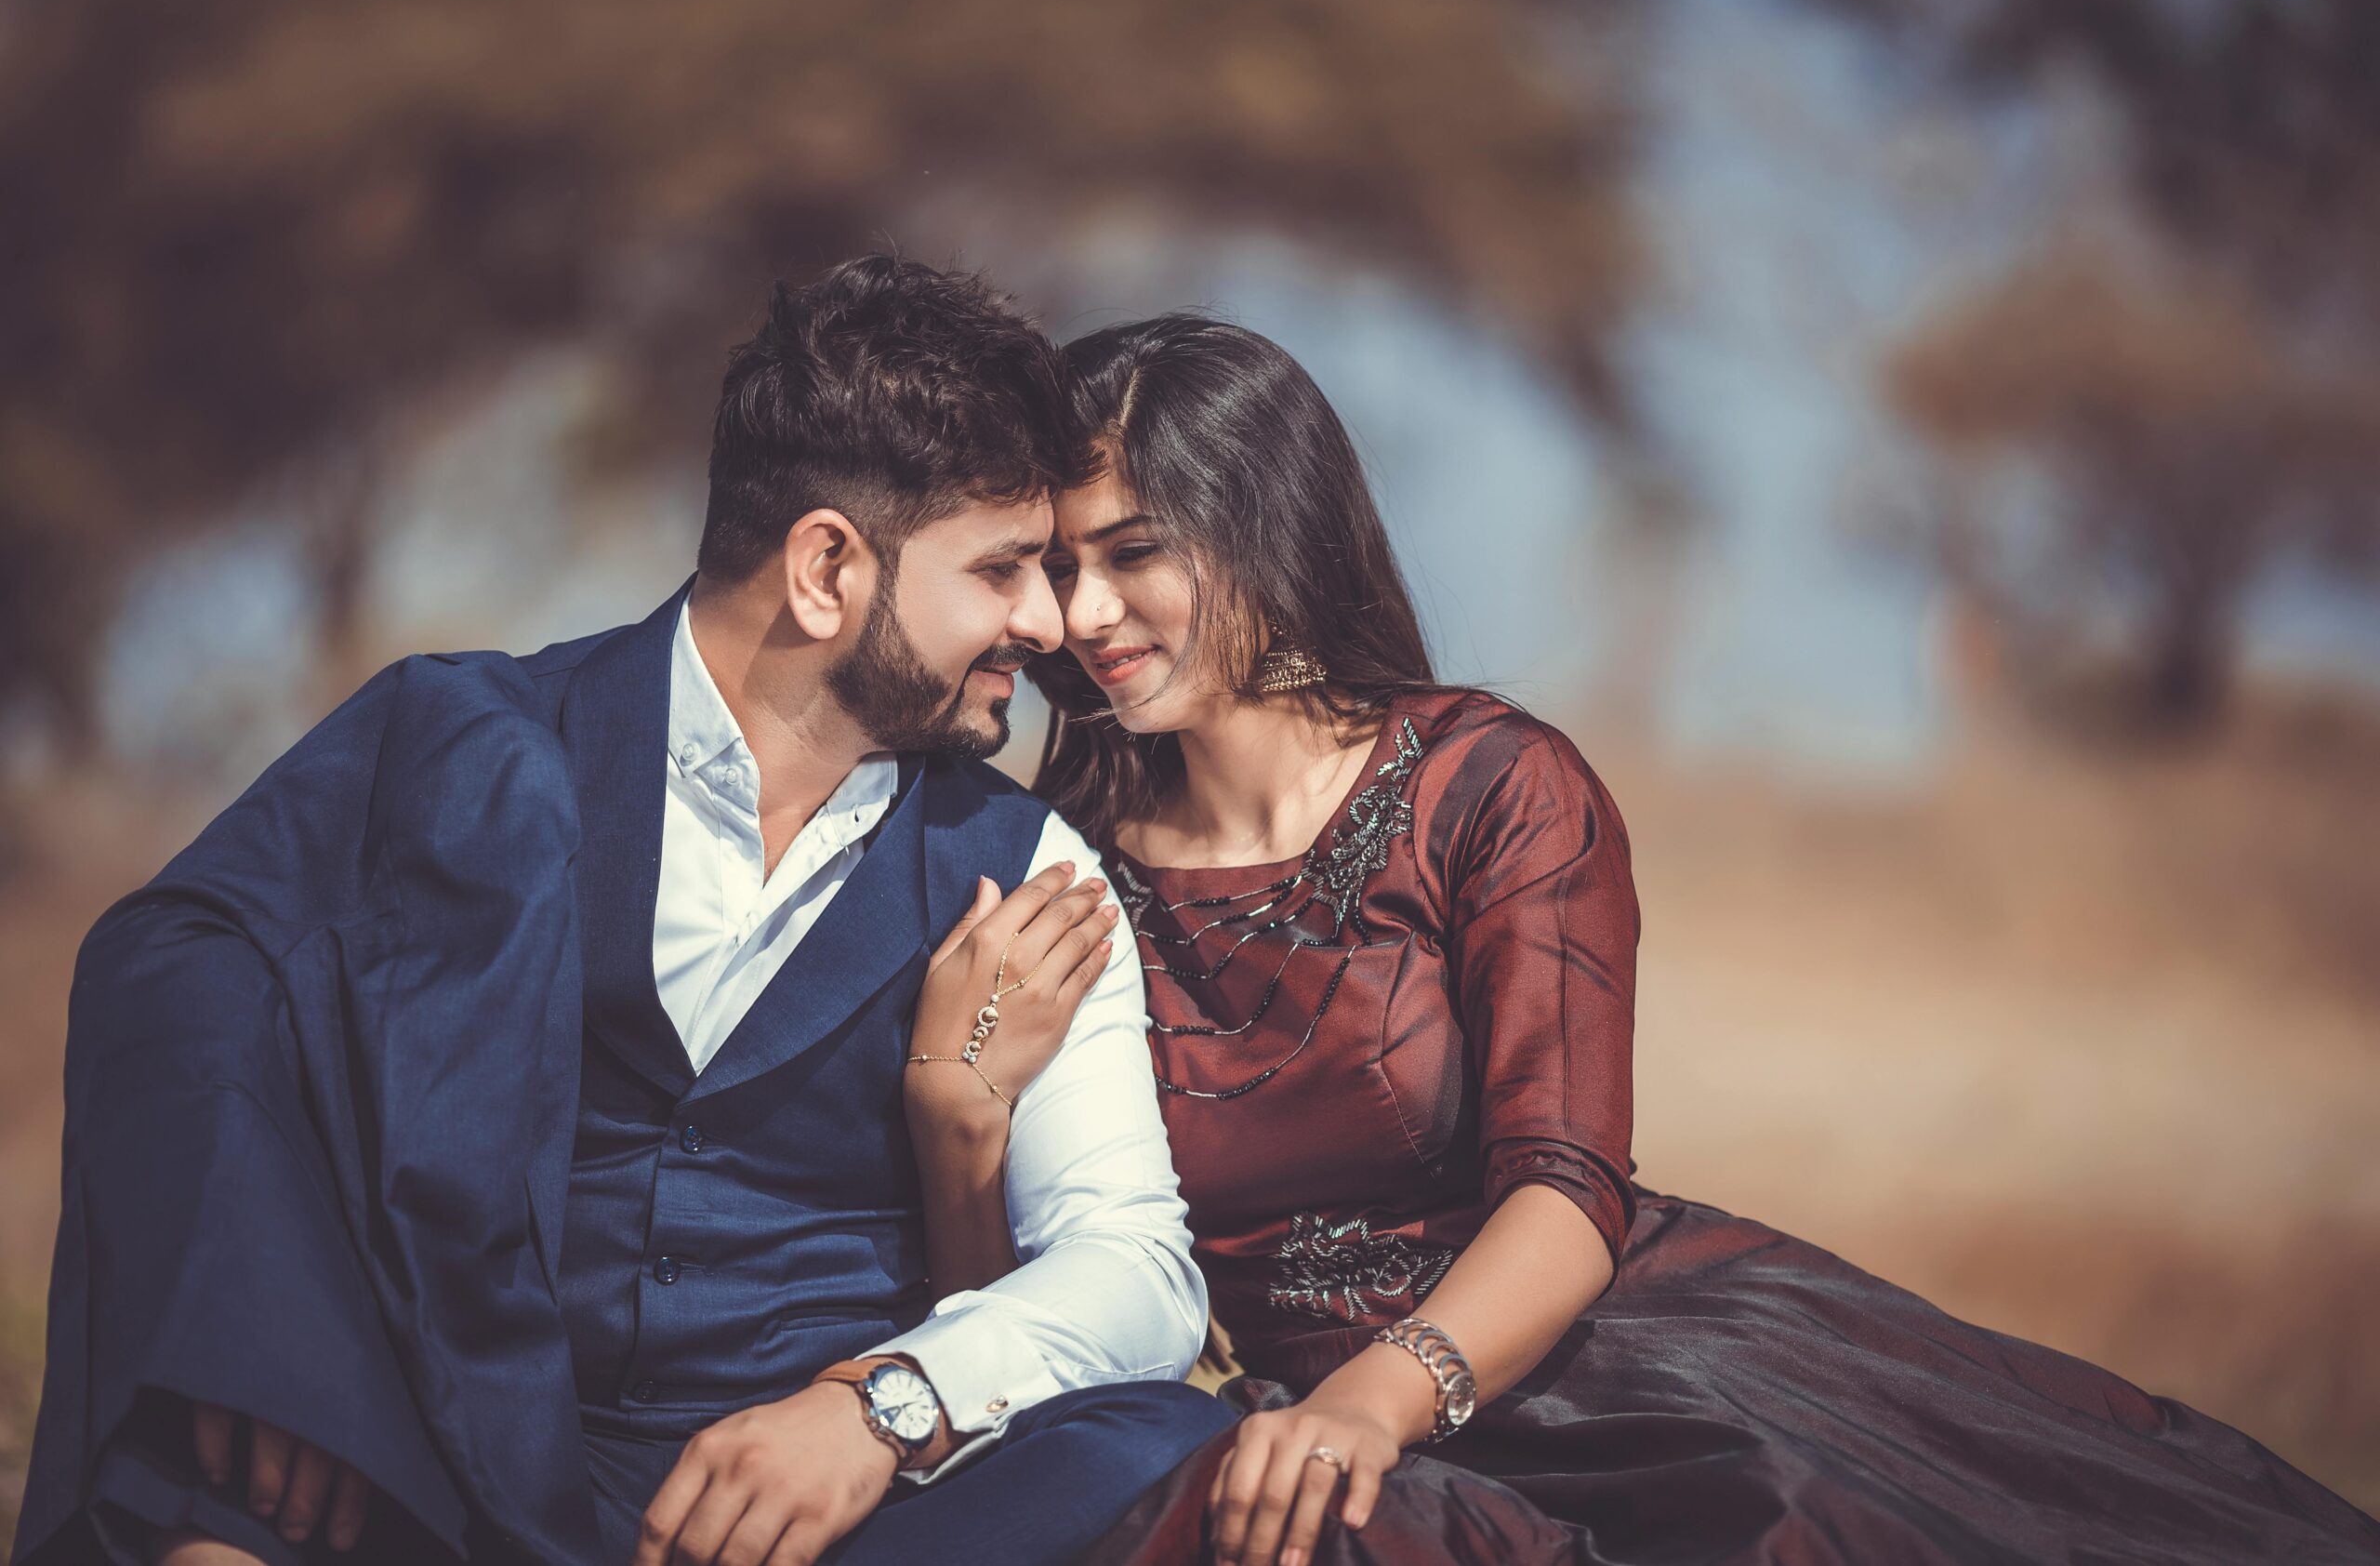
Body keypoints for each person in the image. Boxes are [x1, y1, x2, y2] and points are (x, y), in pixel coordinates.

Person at [911, 312, 2380, 1565]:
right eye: (1057, 565)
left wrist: (1375, 1400)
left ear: (1259, 521)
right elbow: (1050, 1286)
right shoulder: (1059, 869)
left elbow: (1565, 1185)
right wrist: (960, 1131)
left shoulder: (1488, 786)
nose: (1081, 613)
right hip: (1296, 1441)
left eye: (1135, 552)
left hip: (1619, 1374)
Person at [13, 259, 1235, 1566]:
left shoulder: (1027, 866)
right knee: (192, 1512)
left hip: (835, 1526)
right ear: (826, 567)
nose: (1048, 622)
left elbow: (1135, 1267)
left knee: (1157, 1450)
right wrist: (267, 1348)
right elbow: (173, 969)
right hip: (459, 1470)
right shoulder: (464, 743)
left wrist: (883, 1411)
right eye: (1004, 571)